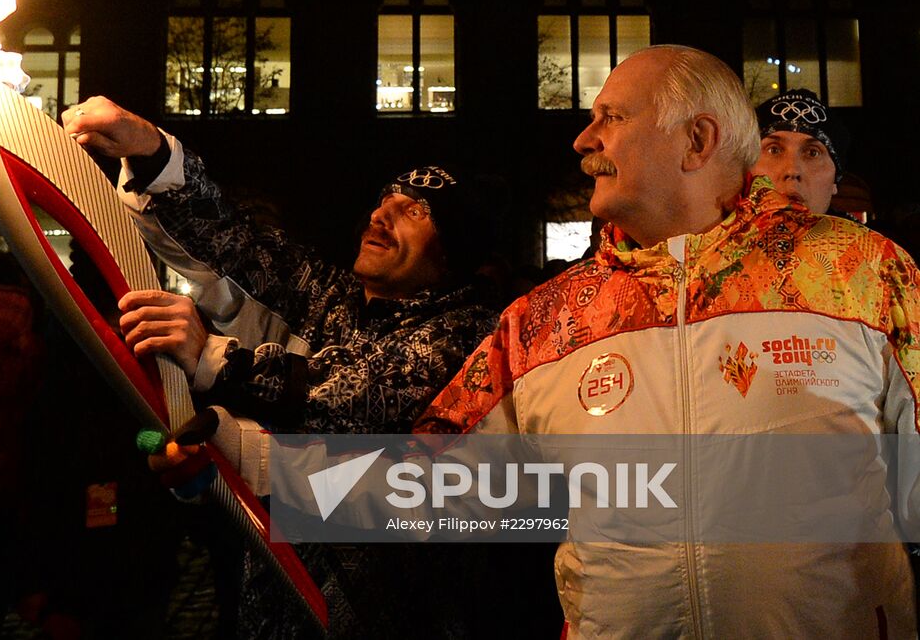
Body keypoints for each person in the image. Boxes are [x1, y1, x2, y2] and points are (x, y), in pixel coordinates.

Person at [416, 45, 918, 637]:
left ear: (697, 141)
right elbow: (426, 482)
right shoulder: (544, 319)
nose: (583, 140)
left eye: (613, 117)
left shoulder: (859, 272)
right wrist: (281, 476)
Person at [65, 96, 503, 639]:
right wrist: (154, 155)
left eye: (414, 211)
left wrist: (211, 357)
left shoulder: (474, 333)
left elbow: (354, 398)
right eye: (384, 201)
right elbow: (238, 247)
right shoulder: (334, 297)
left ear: (456, 247)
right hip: (277, 613)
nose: (380, 216)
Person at [751, 87, 849, 214]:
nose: (792, 170)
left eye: (812, 153)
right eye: (774, 150)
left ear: (835, 181)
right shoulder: (720, 233)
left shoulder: (864, 234)